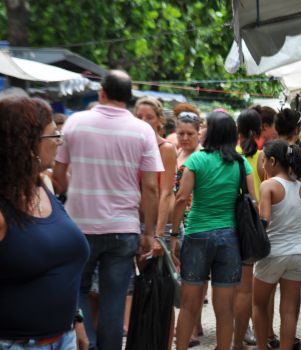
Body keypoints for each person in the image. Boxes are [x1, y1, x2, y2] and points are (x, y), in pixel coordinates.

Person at [53, 70, 164, 350]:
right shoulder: (142, 131)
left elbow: (58, 176)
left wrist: (74, 194)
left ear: (101, 92)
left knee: (75, 291)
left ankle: (84, 343)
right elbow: (151, 188)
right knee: (114, 301)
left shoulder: (75, 123)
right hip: (124, 229)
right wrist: (148, 233)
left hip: (79, 229)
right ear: (129, 98)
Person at [0, 96, 89, 350]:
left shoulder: (44, 185)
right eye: (53, 136)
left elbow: (60, 268)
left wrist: (76, 319)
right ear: (26, 144)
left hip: (64, 338)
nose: (60, 142)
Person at [171, 111, 256, 350]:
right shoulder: (241, 163)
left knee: (188, 304)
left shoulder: (197, 160)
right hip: (230, 238)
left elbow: (180, 199)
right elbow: (254, 202)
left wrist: (174, 236)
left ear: (209, 133)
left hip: (197, 234)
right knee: (225, 308)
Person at [252, 140, 301, 350]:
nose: (263, 165)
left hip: (273, 253)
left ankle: (262, 347)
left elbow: (264, 220)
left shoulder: (269, 186)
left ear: (273, 161)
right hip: (299, 253)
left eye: (264, 160)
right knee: (288, 310)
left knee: (258, 304)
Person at [133, 96, 177, 344]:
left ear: (160, 121)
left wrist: (159, 235)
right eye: (139, 117)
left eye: (149, 117)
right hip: (136, 224)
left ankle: (164, 342)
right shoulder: (133, 146)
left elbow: (165, 193)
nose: (144, 121)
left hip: (159, 225)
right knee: (143, 287)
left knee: (162, 288)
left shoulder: (165, 149)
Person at [273, 108, 301, 350]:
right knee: (290, 300)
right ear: (298, 129)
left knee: (263, 298)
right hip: (294, 228)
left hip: (271, 228)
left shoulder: (268, 154)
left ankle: (267, 338)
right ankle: (288, 344)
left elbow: (266, 186)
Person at [232, 109, 265, 350]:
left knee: (232, 285)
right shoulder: (263, 157)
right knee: (248, 286)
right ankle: (245, 332)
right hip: (254, 225)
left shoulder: (231, 155)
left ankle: (236, 331)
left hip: (230, 221)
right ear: (259, 130)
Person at [172, 107, 205, 347]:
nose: (184, 138)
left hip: (193, 222)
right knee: (191, 277)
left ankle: (191, 327)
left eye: (189, 134)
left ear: (198, 133)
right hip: (179, 219)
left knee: (193, 279)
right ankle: (195, 323)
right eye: (181, 133)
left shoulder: (200, 156)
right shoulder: (176, 154)